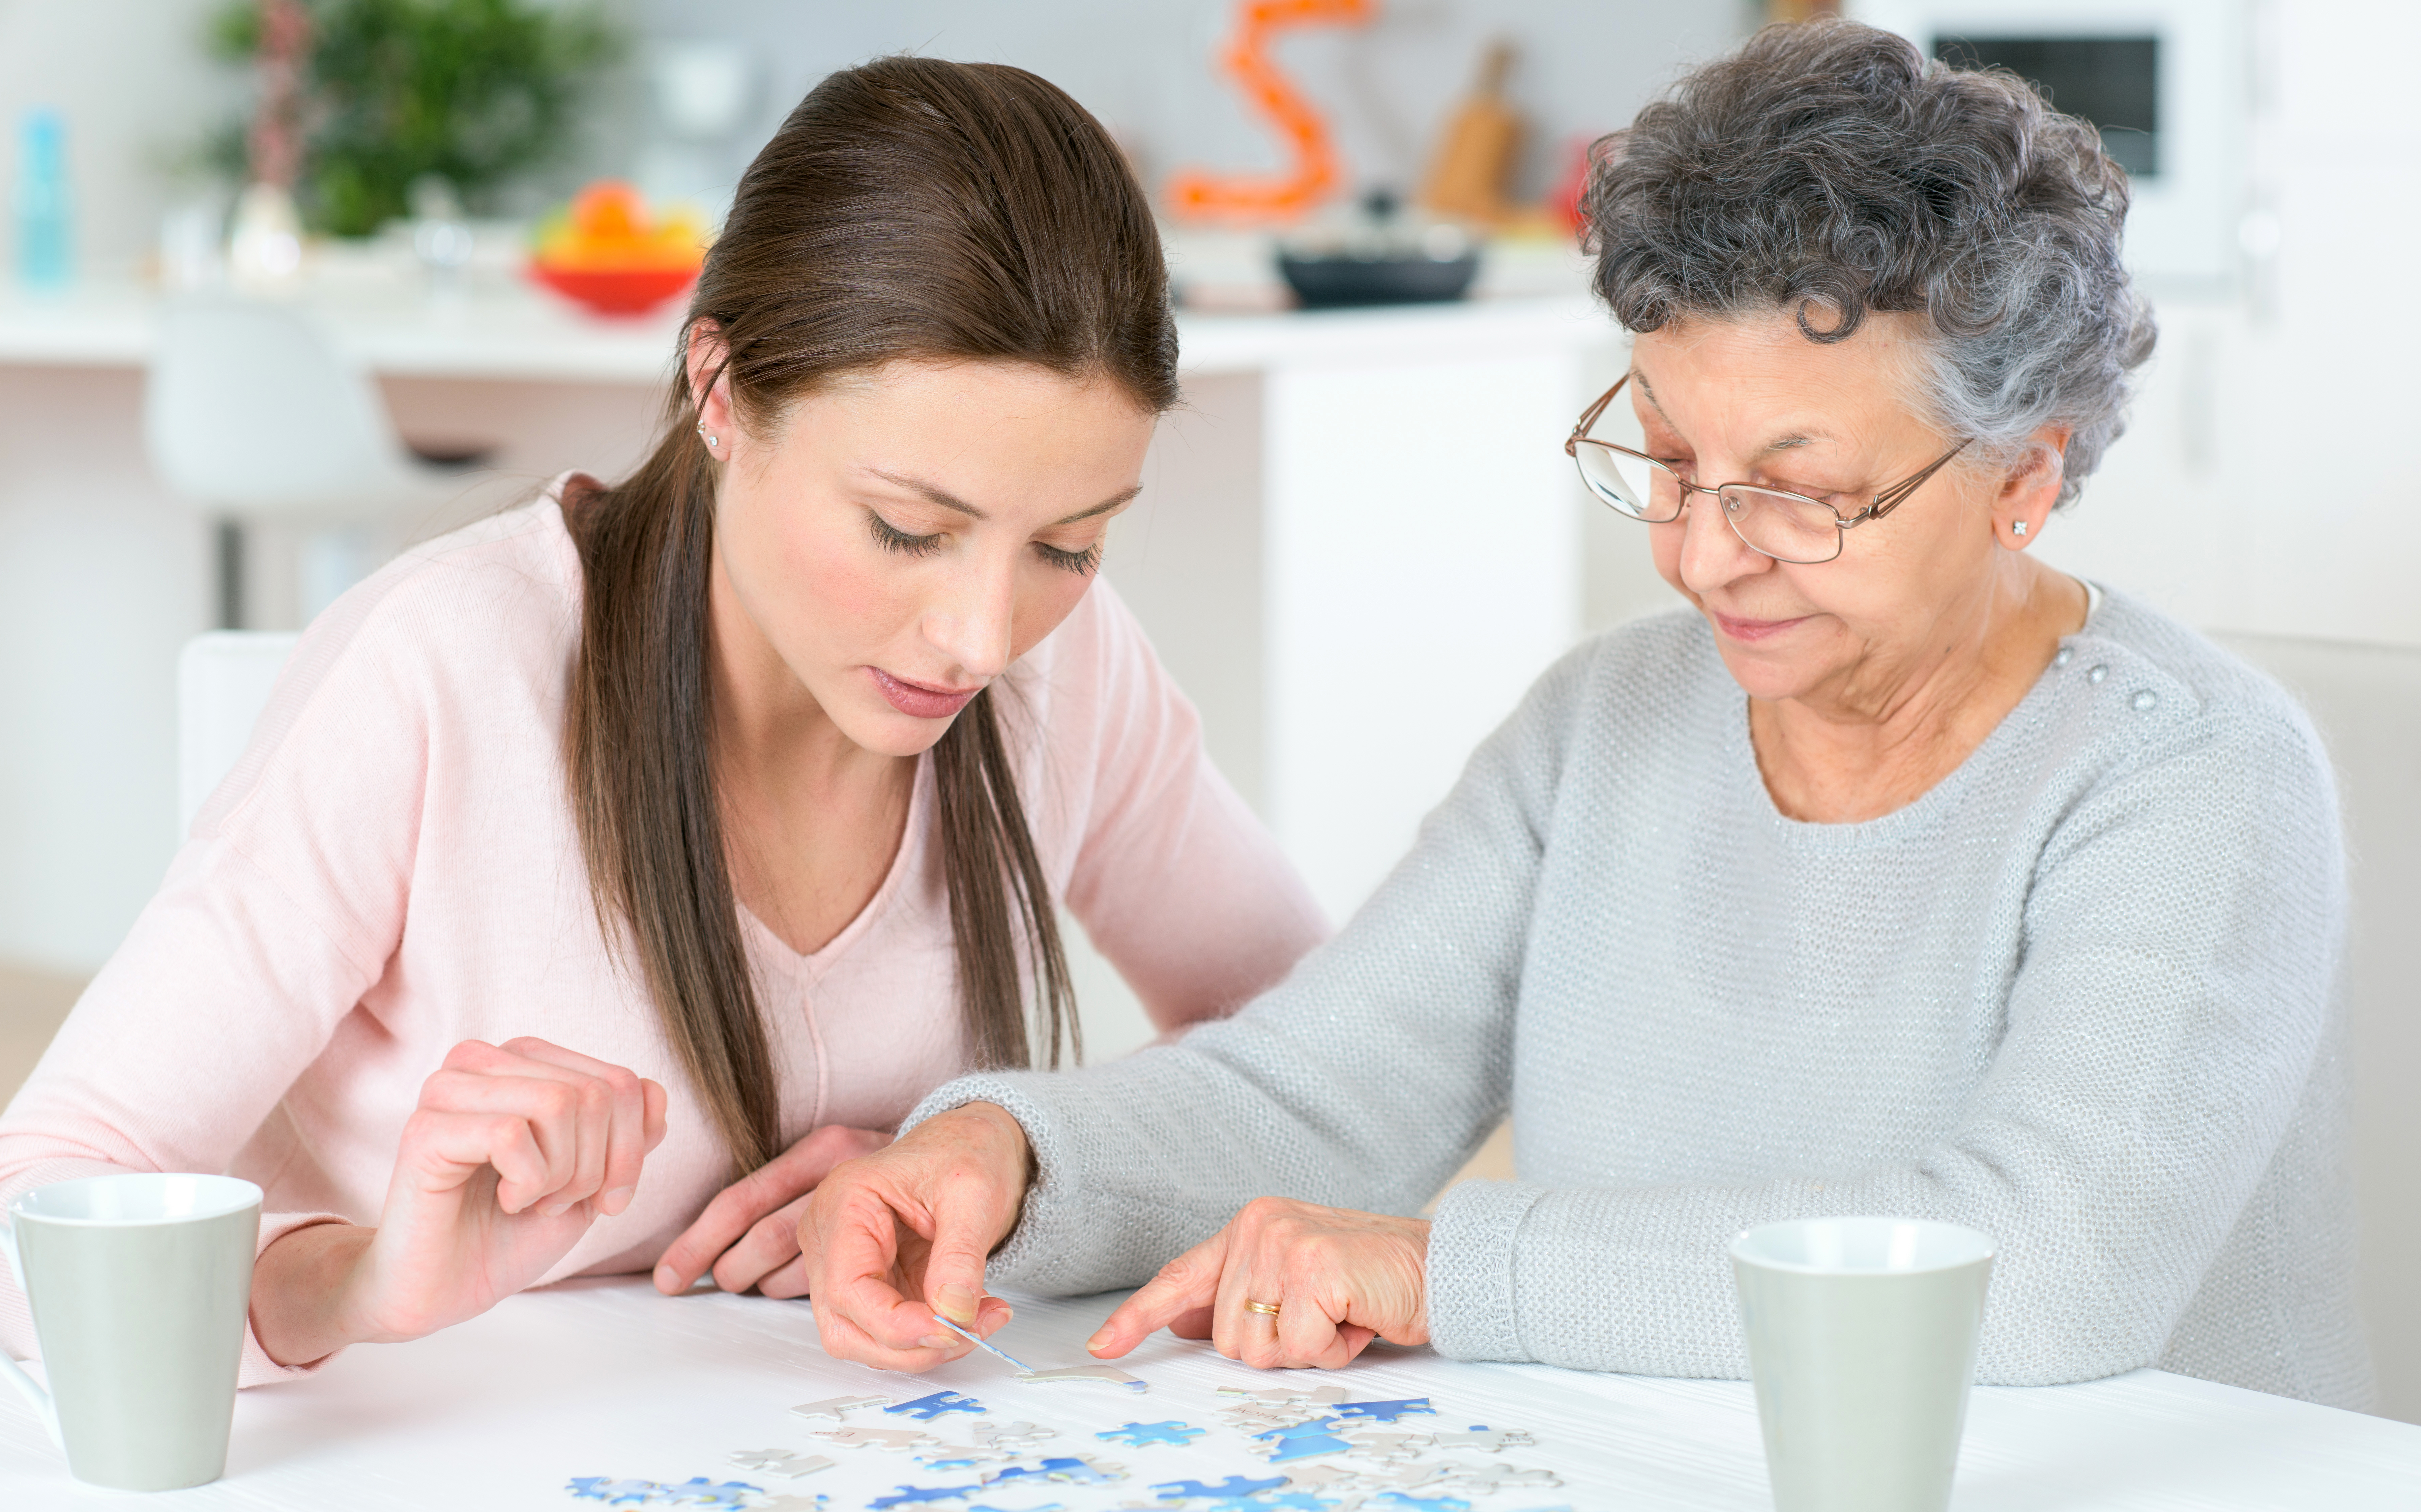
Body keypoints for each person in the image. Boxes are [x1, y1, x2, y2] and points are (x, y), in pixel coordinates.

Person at [797, 21, 2371, 1409]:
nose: (1698, 555)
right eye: (1669, 459)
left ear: (2022, 478)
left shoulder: (2189, 771)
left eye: (1802, 495)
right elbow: (1321, 1096)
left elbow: (2044, 1269)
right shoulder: (1607, 719)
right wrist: (1007, 1156)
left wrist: (1448, 1273)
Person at [0, 59, 1327, 1381]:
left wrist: (1007, 1151)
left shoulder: (1067, 675)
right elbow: (10, 1221)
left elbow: (1335, 1062)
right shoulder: (445, 668)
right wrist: (358, 1281)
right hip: (453, 1492)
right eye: (909, 529)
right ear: (720, 393)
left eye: (1069, 547)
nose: (982, 635)